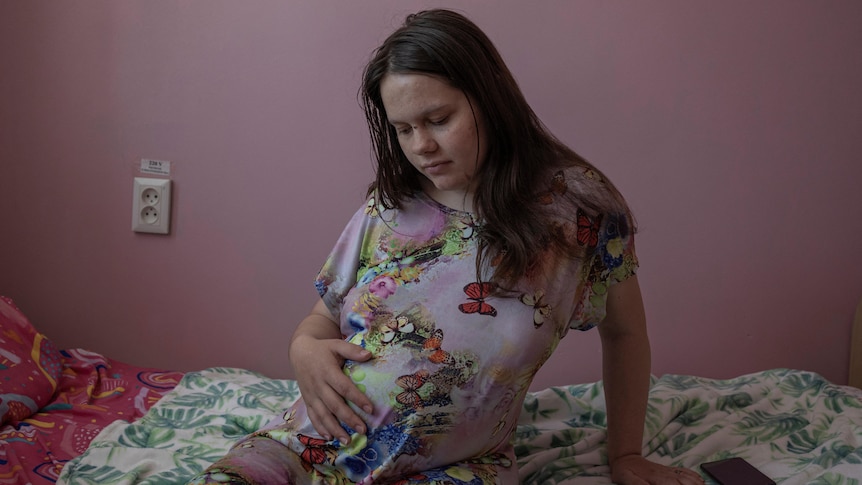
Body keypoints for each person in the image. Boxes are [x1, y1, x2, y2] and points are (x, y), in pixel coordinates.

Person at [190, 8, 704, 485]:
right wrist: (301, 348)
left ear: (490, 97)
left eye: (438, 120)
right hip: (307, 446)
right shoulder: (389, 206)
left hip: (462, 468)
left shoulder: (579, 212)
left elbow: (625, 335)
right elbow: (320, 319)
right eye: (403, 130)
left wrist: (626, 455)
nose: (421, 147)